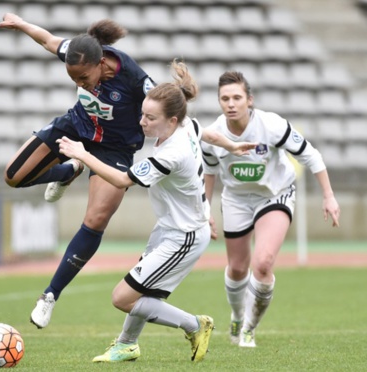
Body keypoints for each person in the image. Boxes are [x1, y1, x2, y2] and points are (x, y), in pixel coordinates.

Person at [57, 61, 256, 363]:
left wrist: (82, 154)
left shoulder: (171, 154)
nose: (142, 122)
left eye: (150, 118)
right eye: (142, 114)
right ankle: (127, 344)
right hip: (171, 228)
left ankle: (195, 325)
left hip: (184, 236)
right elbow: (207, 133)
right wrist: (232, 145)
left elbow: (122, 179)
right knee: (143, 292)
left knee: (122, 298)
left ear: (172, 121)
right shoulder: (188, 125)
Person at [0, 14, 158, 329]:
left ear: (101, 64)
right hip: (75, 127)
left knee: (96, 219)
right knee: (13, 176)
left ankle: (49, 296)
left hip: (115, 150)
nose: (80, 84)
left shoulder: (135, 79)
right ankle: (67, 172)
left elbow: (165, 106)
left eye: (84, 79)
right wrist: (21, 23)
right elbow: (47, 40)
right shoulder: (77, 52)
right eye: (74, 80)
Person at [201, 71, 341, 348]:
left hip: (275, 195)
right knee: (238, 268)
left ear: (249, 100)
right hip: (236, 199)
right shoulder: (212, 136)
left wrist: (329, 195)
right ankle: (238, 315)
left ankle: (250, 329)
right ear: (219, 102)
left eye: (237, 97)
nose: (231, 103)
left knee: (263, 263)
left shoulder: (272, 125)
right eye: (225, 98)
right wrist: (205, 209)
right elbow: (208, 172)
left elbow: (311, 155)